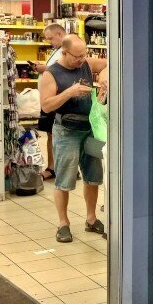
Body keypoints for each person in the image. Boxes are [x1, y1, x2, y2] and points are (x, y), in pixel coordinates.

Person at [38, 34, 108, 243]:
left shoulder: (86, 63)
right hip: (66, 131)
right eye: (77, 56)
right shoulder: (51, 74)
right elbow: (46, 106)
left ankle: (91, 219)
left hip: (90, 129)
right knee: (64, 180)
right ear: (64, 52)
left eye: (83, 55)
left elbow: (108, 63)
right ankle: (63, 223)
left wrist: (103, 78)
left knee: (93, 177)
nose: (81, 60)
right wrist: (69, 92)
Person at [33, 23, 67, 180]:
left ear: (60, 34)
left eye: (50, 38)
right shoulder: (57, 50)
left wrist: (44, 69)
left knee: (55, 134)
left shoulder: (67, 51)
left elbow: (62, 71)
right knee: (51, 134)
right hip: (49, 99)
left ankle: (55, 168)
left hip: (56, 100)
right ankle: (56, 166)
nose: (49, 42)